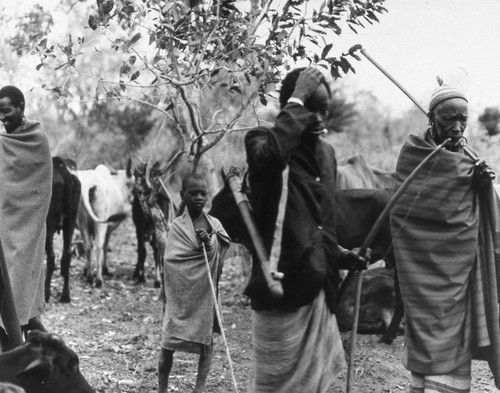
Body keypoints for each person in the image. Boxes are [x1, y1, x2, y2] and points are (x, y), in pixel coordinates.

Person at [244, 67, 370, 393]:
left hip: (318, 288)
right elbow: (270, 157)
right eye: (310, 108)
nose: (320, 117)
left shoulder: (326, 154)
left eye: (324, 109)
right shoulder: (262, 142)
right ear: (292, 108)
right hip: (280, 290)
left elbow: (321, 221)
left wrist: (342, 255)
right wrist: (298, 97)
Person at [389, 83, 500, 392]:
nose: (456, 126)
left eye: (463, 119)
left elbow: (482, 213)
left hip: (460, 269)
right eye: (448, 119)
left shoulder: (469, 158)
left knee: (456, 332)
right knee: (429, 328)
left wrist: (481, 185)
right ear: (431, 120)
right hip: (423, 269)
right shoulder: (414, 155)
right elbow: (400, 212)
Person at [158, 173, 230, 393]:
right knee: (167, 345)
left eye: (203, 193)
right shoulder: (177, 227)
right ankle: (162, 388)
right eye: (193, 193)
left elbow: (220, 251)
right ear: (182, 196)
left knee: (206, 345)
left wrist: (209, 244)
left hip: (206, 294)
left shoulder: (214, 225)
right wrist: (200, 247)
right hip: (180, 298)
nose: (199, 198)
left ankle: (199, 389)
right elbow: (170, 261)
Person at [0, 85, 52, 350]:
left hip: (28, 232)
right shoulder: (2, 143)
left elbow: (40, 191)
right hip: (3, 230)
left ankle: (16, 359)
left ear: (21, 107)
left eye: (6, 111)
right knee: (18, 306)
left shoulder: (37, 139)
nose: (2, 117)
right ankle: (49, 350)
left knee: (18, 296)